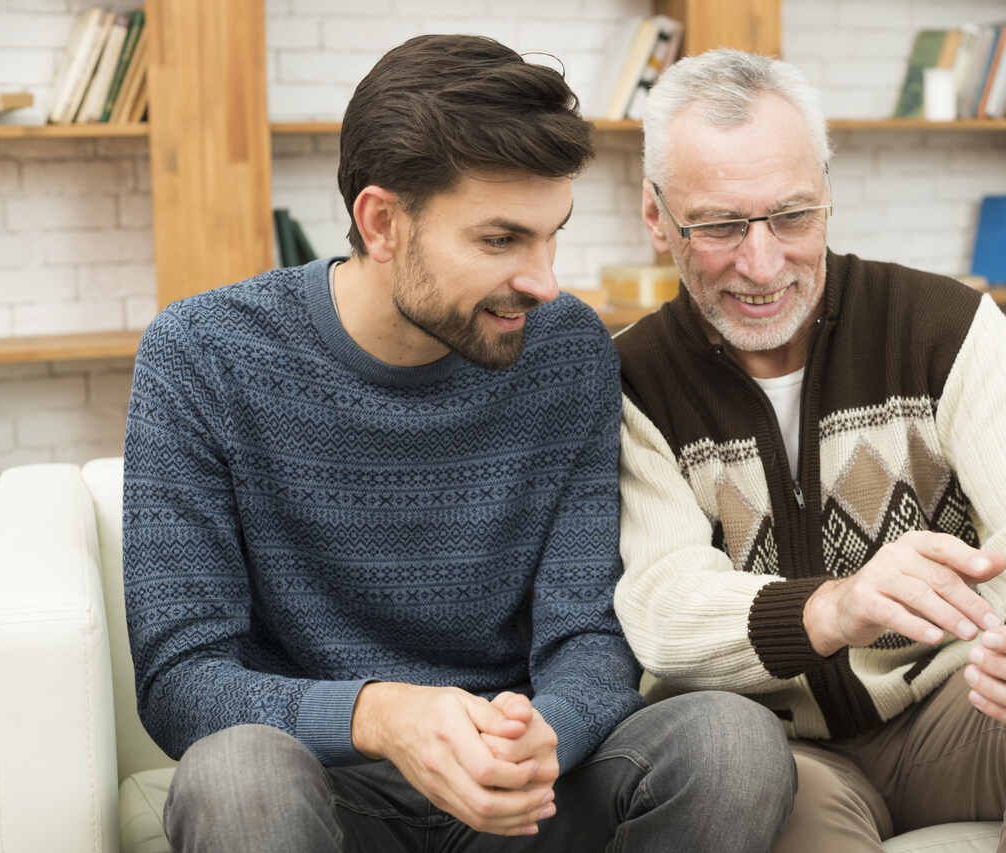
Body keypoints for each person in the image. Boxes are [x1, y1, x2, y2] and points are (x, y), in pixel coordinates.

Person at [124, 35, 794, 853]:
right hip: (325, 788)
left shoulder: (568, 351)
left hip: (524, 790)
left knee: (732, 743)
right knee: (235, 776)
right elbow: (180, 681)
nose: (545, 281)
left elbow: (585, 633)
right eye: (501, 240)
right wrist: (384, 716)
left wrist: (539, 738)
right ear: (382, 223)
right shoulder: (201, 354)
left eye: (552, 235)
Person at [612, 48, 1006, 852]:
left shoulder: (944, 326)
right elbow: (663, 606)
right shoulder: (633, 381)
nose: (762, 264)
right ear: (657, 216)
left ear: (829, 193)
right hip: (783, 749)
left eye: (793, 215)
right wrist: (834, 607)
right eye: (722, 226)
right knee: (757, 783)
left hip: (954, 709)